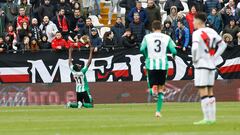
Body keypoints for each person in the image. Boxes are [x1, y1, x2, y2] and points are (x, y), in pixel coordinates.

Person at [191, 12, 227, 125]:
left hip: (201, 65)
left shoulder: (197, 33)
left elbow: (195, 48)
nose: (193, 22)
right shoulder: (212, 31)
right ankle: (212, 118)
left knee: (203, 91)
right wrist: (214, 57)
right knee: (210, 91)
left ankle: (207, 118)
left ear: (198, 21)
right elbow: (223, 45)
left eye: (194, 20)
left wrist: (195, 60)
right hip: (211, 65)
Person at [140, 20, 177, 118]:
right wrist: (173, 55)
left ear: (152, 28)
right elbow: (174, 50)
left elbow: (142, 49)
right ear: (161, 28)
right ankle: (158, 111)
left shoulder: (147, 37)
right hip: (163, 65)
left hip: (151, 64)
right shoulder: (167, 37)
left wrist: (146, 56)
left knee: (151, 85)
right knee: (161, 89)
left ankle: (152, 91)